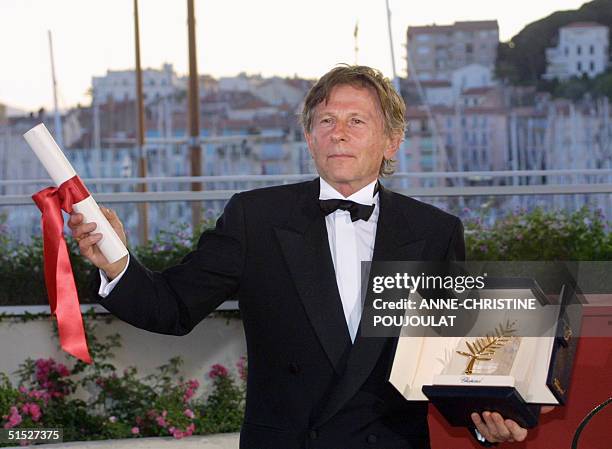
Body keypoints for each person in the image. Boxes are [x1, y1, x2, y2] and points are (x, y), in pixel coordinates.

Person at [69, 65, 545, 448]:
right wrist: (114, 262)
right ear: (310, 138)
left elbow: (450, 359)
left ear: (391, 142)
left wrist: (489, 419)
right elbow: (171, 306)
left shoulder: (434, 231)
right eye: (326, 121)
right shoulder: (255, 217)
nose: (339, 133)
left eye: (357, 121)